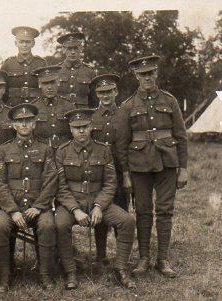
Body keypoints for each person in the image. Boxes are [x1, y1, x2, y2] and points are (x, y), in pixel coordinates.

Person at [115, 55, 188, 278]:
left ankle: (163, 259)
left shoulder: (170, 100)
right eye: (142, 74)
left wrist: (183, 169)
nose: (147, 77)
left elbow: (181, 136)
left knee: (165, 210)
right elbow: (122, 143)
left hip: (167, 162)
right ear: (136, 76)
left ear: (156, 73)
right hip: (139, 166)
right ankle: (144, 258)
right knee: (143, 211)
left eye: (151, 73)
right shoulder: (127, 105)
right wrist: (126, 174)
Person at [55, 108, 136, 290]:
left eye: (85, 126)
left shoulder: (103, 150)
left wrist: (99, 206)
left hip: (99, 202)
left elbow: (110, 184)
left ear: (91, 126)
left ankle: (121, 268)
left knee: (127, 221)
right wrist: (75, 210)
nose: (81, 131)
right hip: (72, 205)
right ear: (70, 129)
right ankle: (70, 271)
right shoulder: (62, 152)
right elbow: (60, 188)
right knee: (60, 224)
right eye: (77, 128)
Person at [0, 103, 58, 292]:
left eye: (28, 121)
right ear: (13, 125)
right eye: (19, 121)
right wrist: (12, 211)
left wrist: (38, 207)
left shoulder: (45, 149)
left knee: (47, 225)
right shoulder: (4, 150)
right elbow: (1, 184)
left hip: (38, 206)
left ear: (34, 123)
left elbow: (50, 182)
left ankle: (45, 274)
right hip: (12, 207)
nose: (24, 125)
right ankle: (5, 274)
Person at [89, 73, 127, 264]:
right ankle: (101, 254)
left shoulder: (124, 114)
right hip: (98, 172)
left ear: (116, 92)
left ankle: (122, 256)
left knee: (121, 210)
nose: (105, 96)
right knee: (100, 210)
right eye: (101, 92)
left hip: (120, 171)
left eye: (109, 92)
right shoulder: (91, 117)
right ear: (97, 94)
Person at [31, 65, 76, 149]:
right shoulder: (33, 107)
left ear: (58, 82)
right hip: (41, 151)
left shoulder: (69, 106)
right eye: (45, 83)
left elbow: (74, 134)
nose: (49, 87)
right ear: (39, 84)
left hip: (65, 150)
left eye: (52, 82)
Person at [1, 26, 46, 107]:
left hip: (35, 107)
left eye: (28, 42)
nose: (24, 45)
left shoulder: (41, 64)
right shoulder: (8, 64)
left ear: (33, 43)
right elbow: (2, 90)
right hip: (13, 107)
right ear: (16, 43)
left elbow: (45, 88)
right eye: (21, 42)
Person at [56, 32, 96, 108]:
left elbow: (94, 99)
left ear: (81, 49)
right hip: (61, 112)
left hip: (83, 113)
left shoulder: (89, 71)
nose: (73, 52)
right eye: (69, 49)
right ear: (63, 49)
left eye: (76, 48)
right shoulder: (56, 70)